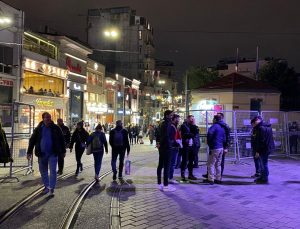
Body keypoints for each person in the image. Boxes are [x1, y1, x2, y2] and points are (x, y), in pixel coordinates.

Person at [26, 112, 66, 196]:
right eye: (46, 117)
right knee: (43, 171)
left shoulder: (56, 128)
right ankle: (47, 186)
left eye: (49, 117)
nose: (48, 119)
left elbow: (62, 139)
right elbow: (32, 140)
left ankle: (51, 188)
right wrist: (29, 152)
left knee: (53, 171)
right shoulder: (38, 129)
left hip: (53, 153)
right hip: (41, 154)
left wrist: (63, 151)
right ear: (43, 118)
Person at [251, 116, 275, 184]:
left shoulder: (260, 128)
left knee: (263, 164)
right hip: (268, 148)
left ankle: (264, 179)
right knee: (264, 163)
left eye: (253, 123)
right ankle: (263, 176)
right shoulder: (268, 127)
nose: (253, 125)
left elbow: (261, 141)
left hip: (263, 149)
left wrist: (258, 151)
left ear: (256, 122)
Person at [156, 110, 176, 191]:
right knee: (167, 166)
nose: (172, 117)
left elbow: (158, 135)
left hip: (162, 147)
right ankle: (166, 185)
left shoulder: (162, 123)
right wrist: (170, 144)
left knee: (161, 165)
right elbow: (166, 136)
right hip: (167, 147)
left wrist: (159, 143)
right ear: (167, 115)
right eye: (171, 115)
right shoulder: (167, 124)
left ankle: (159, 183)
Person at [204, 115, 226, 185]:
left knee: (210, 164)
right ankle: (218, 179)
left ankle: (211, 179)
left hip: (215, 147)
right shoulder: (222, 127)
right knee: (218, 164)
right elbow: (224, 138)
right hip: (221, 147)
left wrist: (210, 143)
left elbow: (209, 134)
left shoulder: (214, 126)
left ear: (215, 119)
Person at [180, 115, 197, 181]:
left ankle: (190, 174)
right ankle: (183, 175)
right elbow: (185, 135)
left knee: (191, 161)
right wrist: (192, 134)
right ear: (187, 119)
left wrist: (194, 126)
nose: (192, 120)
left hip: (192, 145)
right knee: (184, 160)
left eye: (193, 119)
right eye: (190, 119)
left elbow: (196, 133)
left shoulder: (193, 126)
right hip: (186, 145)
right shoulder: (183, 126)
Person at [169, 114, 181, 184]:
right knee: (172, 163)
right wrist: (177, 143)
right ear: (174, 119)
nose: (178, 120)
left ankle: (170, 177)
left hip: (174, 146)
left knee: (172, 163)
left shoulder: (174, 126)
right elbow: (171, 138)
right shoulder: (172, 126)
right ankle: (170, 178)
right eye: (178, 119)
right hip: (173, 147)